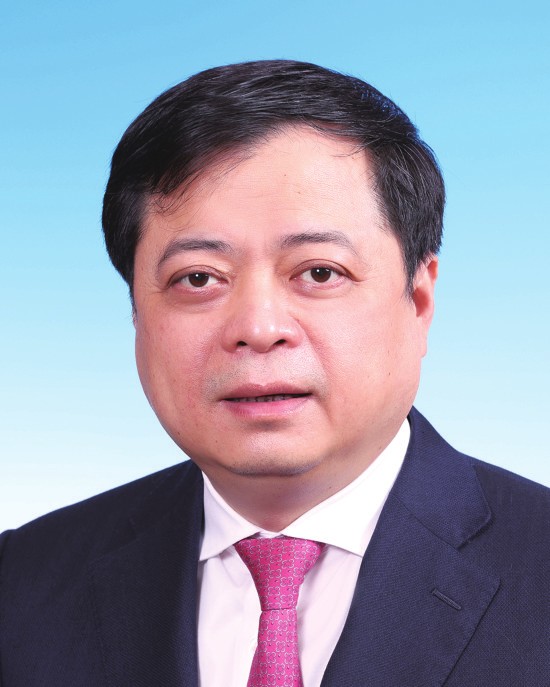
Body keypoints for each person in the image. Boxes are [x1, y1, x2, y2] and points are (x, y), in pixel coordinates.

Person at [0, 60, 548, 687]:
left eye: (319, 272)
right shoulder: (22, 583)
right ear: (136, 313)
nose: (258, 328)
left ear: (419, 300)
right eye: (198, 278)